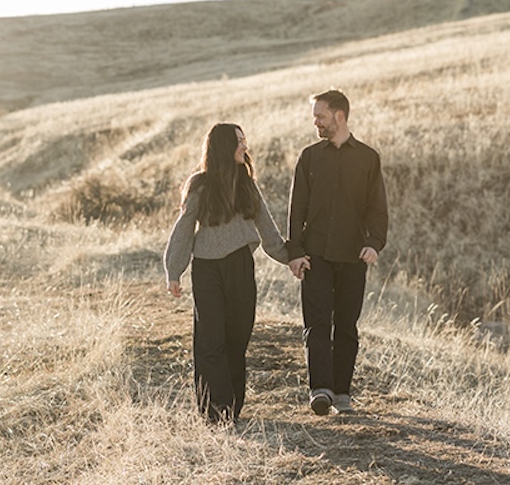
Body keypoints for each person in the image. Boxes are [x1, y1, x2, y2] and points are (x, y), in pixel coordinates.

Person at [164, 122, 291, 423]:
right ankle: (215, 409)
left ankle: (232, 405)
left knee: (237, 337)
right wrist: (174, 271)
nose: (245, 146)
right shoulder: (199, 185)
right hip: (206, 268)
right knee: (211, 339)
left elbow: (267, 227)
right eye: (239, 141)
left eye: (244, 140)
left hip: (239, 266)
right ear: (223, 146)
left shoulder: (246, 183)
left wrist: (291, 258)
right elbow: (184, 228)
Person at [285, 89, 389, 416]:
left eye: (320, 116)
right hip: (315, 255)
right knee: (316, 324)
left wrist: (374, 243)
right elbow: (296, 209)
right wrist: (294, 252)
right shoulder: (309, 157)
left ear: (339, 116)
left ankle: (342, 393)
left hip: (353, 256)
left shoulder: (368, 158)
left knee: (346, 326)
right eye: (315, 116)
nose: (315, 122)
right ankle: (320, 390)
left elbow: (377, 208)